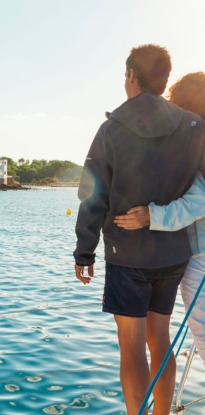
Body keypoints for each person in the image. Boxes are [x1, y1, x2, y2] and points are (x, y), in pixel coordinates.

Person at [74, 45, 205, 415]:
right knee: (159, 340)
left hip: (127, 255)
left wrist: (84, 251)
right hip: (175, 253)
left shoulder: (111, 128)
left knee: (130, 346)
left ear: (131, 76)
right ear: (165, 79)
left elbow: (92, 194)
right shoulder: (195, 126)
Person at [114, 72, 205, 367]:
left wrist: (153, 215)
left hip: (200, 252)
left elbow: (199, 199)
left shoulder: (194, 143)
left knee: (202, 335)